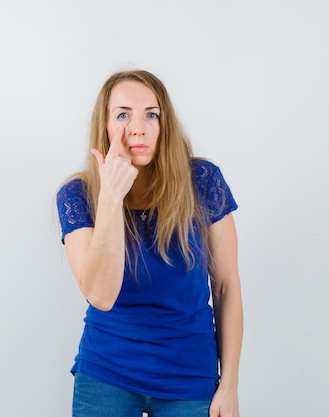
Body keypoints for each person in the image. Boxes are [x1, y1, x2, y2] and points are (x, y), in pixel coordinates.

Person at [56, 69, 243, 417]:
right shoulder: (78, 195)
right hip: (107, 374)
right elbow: (100, 294)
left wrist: (229, 384)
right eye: (123, 114)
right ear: (106, 126)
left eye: (151, 115)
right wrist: (111, 197)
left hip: (190, 377)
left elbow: (226, 287)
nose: (138, 127)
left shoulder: (203, 181)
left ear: (164, 125)